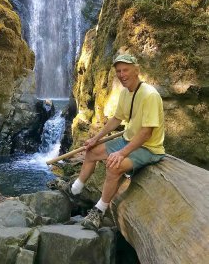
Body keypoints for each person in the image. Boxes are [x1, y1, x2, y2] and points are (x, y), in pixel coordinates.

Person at [55, 53, 165, 231]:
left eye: (125, 70)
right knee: (92, 152)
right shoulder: (126, 92)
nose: (122, 74)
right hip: (128, 139)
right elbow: (116, 119)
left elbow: (146, 133)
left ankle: (99, 211)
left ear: (136, 70)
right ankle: (74, 190)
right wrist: (95, 139)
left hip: (148, 148)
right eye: (119, 71)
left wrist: (121, 153)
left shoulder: (149, 95)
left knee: (114, 165)